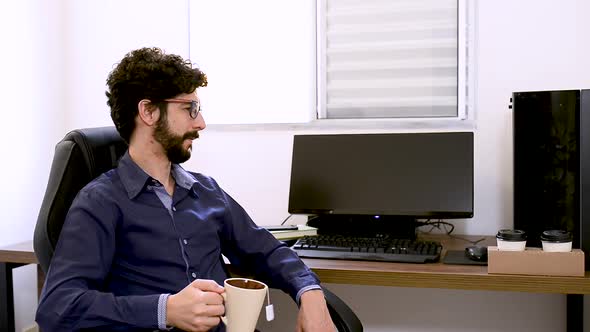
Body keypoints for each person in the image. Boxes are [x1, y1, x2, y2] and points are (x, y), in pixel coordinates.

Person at [35, 47, 335, 332]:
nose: (201, 122)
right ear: (149, 112)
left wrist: (309, 292)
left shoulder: (206, 191)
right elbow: (57, 308)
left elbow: (266, 250)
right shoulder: (99, 202)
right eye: (190, 108)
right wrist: (165, 310)